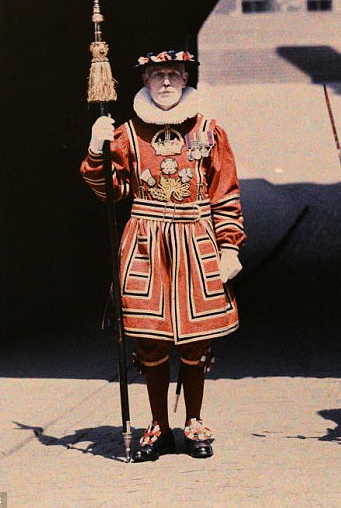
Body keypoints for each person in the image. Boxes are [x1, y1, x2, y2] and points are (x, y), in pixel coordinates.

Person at [80, 47, 245, 461]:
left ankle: (194, 420)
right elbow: (110, 192)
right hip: (145, 244)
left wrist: (229, 246)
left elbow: (225, 192)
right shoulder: (127, 133)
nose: (167, 82)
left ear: (186, 79)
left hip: (195, 239)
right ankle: (157, 424)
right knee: (150, 340)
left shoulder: (208, 130)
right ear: (144, 82)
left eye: (174, 74)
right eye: (158, 75)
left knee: (194, 342)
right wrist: (96, 151)